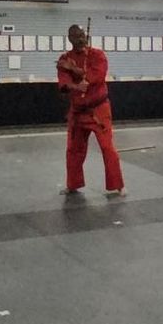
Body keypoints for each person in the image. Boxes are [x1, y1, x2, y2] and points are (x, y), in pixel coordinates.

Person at [57, 23, 125, 196]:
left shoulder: (97, 55)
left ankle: (117, 185)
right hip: (78, 112)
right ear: (70, 39)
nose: (80, 39)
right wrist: (74, 85)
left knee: (107, 147)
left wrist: (74, 70)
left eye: (82, 36)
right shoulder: (65, 58)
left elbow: (96, 76)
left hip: (98, 111)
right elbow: (63, 84)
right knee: (73, 150)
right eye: (76, 37)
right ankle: (73, 184)